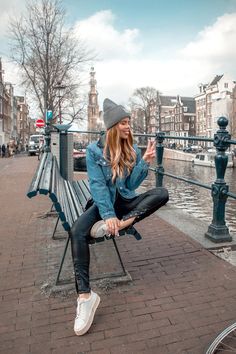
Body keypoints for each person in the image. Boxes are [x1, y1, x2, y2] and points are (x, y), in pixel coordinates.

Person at [71, 98, 169, 336]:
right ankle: (86, 297)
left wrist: (144, 162)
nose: (128, 127)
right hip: (105, 204)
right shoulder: (94, 151)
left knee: (162, 193)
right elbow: (97, 186)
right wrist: (107, 215)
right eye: (123, 123)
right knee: (76, 231)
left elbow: (132, 185)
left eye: (129, 122)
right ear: (112, 126)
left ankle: (127, 223)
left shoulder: (132, 149)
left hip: (125, 204)